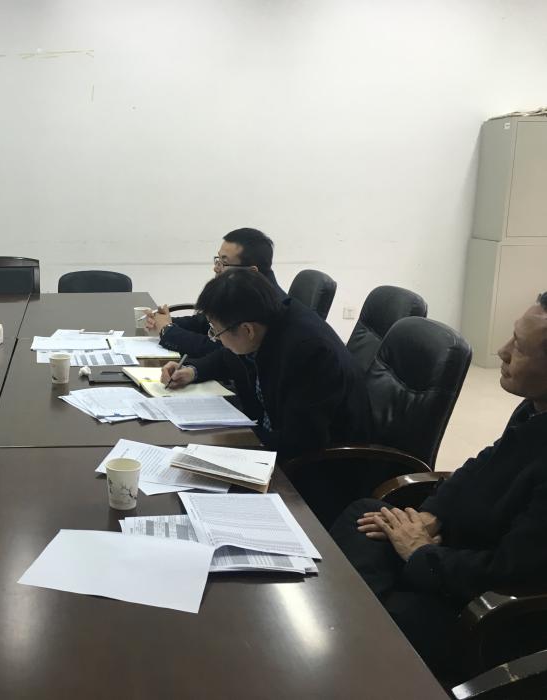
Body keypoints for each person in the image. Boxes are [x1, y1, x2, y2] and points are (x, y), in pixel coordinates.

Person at [330, 294, 547, 681]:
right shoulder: (534, 407)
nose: (502, 351)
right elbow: (479, 467)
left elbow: (509, 571)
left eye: (519, 347)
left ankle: (344, 646)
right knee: (363, 515)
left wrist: (421, 553)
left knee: (358, 607)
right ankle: (344, 624)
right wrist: (431, 516)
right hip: (449, 554)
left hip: (481, 611)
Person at [160, 268, 370, 461]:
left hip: (320, 466)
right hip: (273, 437)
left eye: (216, 332)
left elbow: (300, 442)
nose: (216, 338)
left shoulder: (309, 353)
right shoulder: (267, 321)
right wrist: (192, 371)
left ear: (247, 330)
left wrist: (221, 445)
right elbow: (229, 356)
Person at [146, 227, 285, 358]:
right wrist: (165, 321)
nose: (216, 268)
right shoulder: (241, 290)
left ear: (251, 271)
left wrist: (167, 330)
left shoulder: (268, 307)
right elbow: (205, 322)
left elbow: (223, 351)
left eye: (224, 263)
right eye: (218, 260)